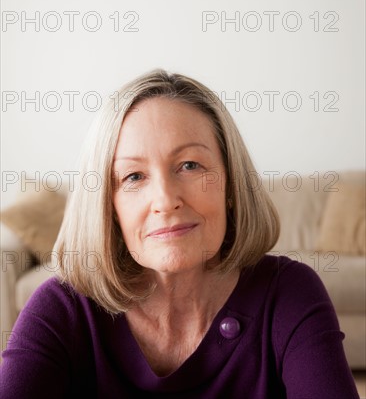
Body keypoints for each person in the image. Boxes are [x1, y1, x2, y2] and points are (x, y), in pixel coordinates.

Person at [0, 68, 360, 398]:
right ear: (108, 208)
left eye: (190, 165)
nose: (166, 200)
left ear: (231, 185)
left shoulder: (290, 294)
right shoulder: (62, 310)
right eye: (134, 177)